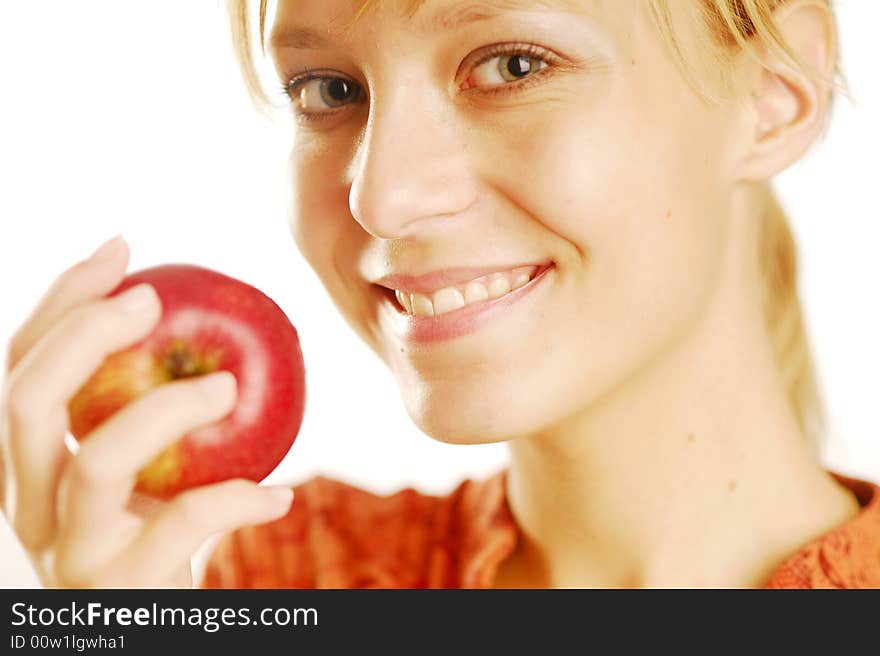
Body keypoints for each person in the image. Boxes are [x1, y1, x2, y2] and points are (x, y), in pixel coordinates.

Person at [2, 0, 878, 589]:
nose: (379, 196)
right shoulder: (287, 577)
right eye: (330, 90)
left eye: (512, 65)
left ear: (771, 93)